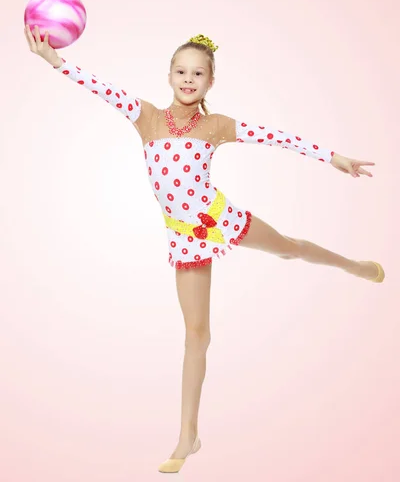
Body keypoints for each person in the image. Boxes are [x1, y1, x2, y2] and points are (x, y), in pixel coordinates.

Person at [24, 24, 385, 473]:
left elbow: (276, 136)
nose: (189, 79)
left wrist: (333, 157)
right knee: (197, 335)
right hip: (184, 236)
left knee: (289, 248)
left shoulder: (215, 126)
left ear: (211, 81)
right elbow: (103, 89)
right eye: (181, 71)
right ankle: (187, 436)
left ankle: (351, 265)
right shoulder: (147, 117)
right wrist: (55, 61)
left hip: (221, 218)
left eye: (198, 73)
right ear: (170, 75)